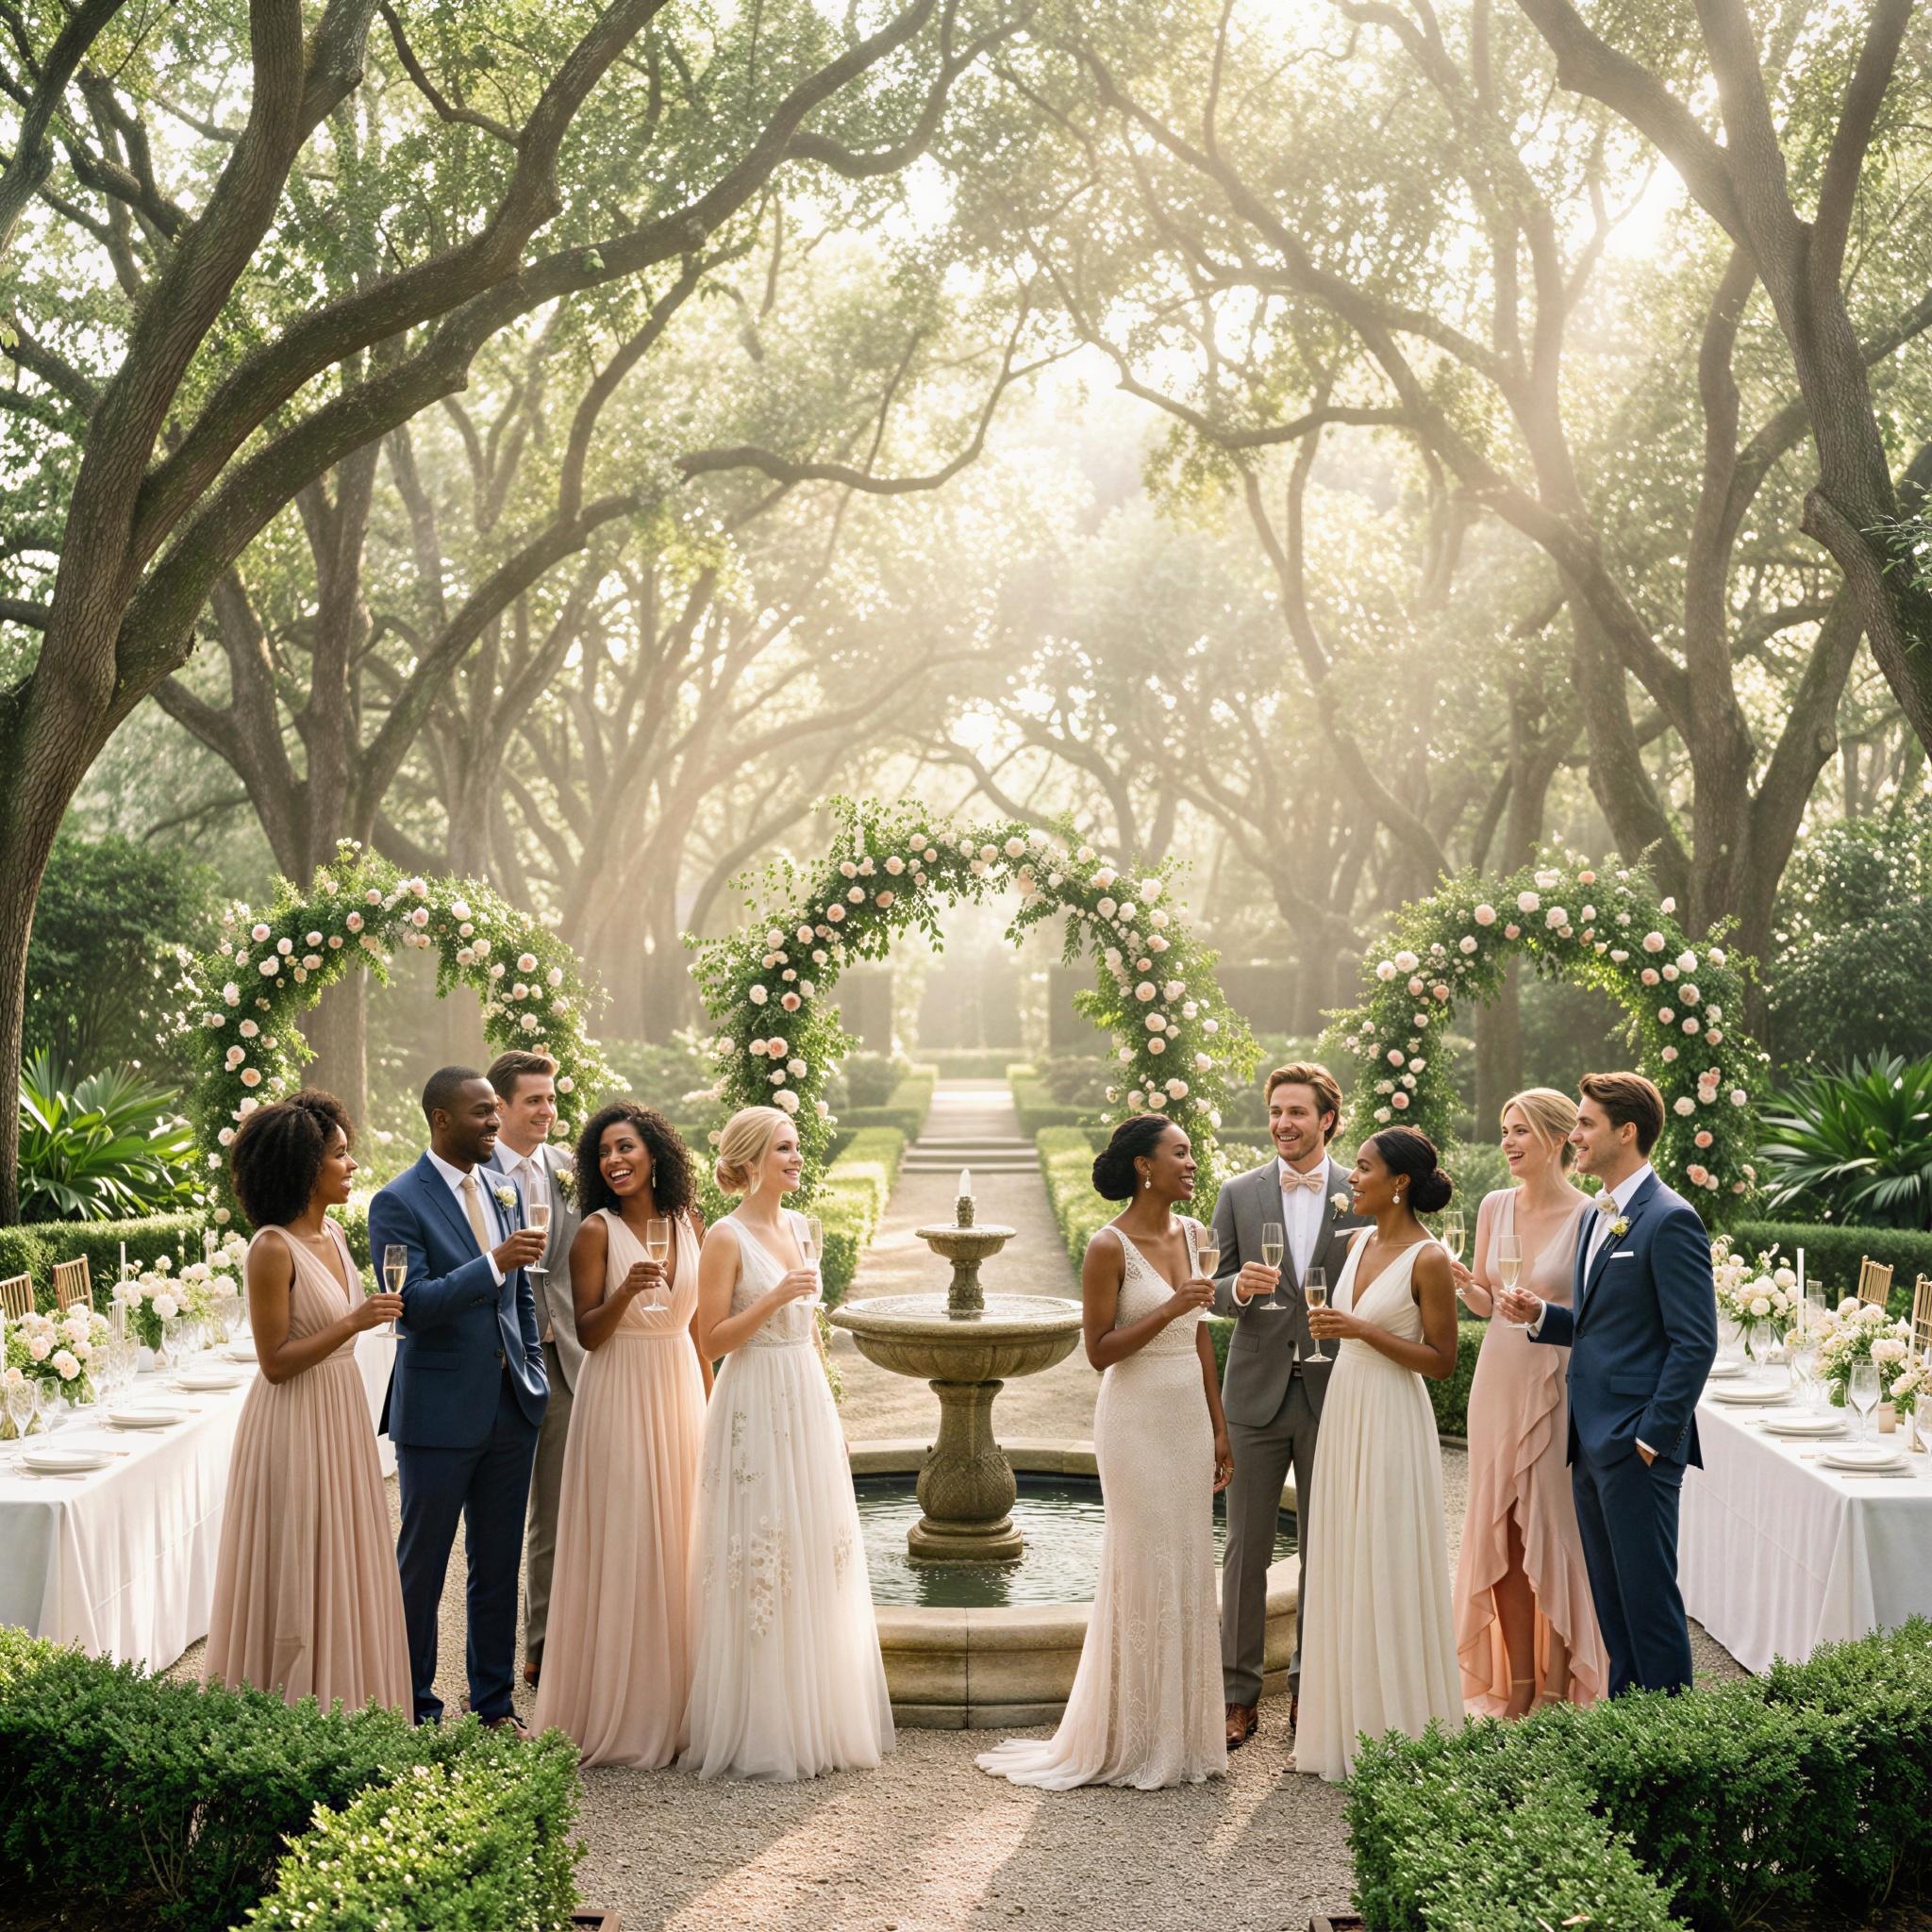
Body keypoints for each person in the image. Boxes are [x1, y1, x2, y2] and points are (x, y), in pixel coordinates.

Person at [978, 1114, 1231, 1790]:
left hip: (1188, 1415)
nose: (1192, 1162)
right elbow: (1099, 1352)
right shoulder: (1108, 1246)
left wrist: (1221, 1425)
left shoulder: (1198, 1235)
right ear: (1145, 1166)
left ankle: (1184, 1738)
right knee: (1143, 1562)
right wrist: (1173, 1306)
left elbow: (1203, 1337)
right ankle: (1131, 1735)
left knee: (1187, 1564)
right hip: (1135, 1418)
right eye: (1180, 1153)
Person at [682, 1106, 893, 1780]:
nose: (796, 1158)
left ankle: (820, 1713)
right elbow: (707, 1341)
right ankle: (763, 1726)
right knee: (761, 1548)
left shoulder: (803, 1228)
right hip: (751, 1397)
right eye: (783, 1149)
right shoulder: (725, 1235)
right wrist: (773, 1299)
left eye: (797, 1147)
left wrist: (830, 1412)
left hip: (803, 1396)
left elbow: (813, 1331)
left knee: (815, 1547)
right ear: (748, 1161)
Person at [1498, 1072, 1718, 1697]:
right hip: (1589, 1445)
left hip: (1635, 1448)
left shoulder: (1670, 1220)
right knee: (1614, 1611)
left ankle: (1672, 1755)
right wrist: (1543, 1317)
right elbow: (1604, 1327)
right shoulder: (1600, 1217)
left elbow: (1694, 1341)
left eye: (1587, 1123)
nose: (1575, 1134)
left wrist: (1650, 1437)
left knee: (1648, 1609)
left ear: (1627, 1132)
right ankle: (1627, 1747)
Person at [204, 1091, 410, 1712]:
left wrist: (358, 1323)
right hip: (292, 1420)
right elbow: (274, 1362)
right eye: (340, 1155)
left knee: (341, 1559)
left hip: (340, 1413)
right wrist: (355, 1323)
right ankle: (288, 1708)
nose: (352, 1165)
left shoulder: (336, 1234)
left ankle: (343, 1700)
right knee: (296, 1564)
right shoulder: (271, 1248)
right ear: (303, 1166)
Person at [368, 1066, 547, 1729]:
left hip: (511, 1407)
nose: (494, 1123)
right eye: (481, 1113)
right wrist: (494, 1262)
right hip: (438, 1415)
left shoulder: (502, 1188)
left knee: (498, 1567)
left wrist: (533, 1371)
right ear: (441, 1119)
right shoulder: (396, 1201)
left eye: (495, 1111)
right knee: (422, 1569)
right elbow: (411, 1306)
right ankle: (415, 1707)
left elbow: (521, 1295)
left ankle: (493, 1706)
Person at [533, 1103, 710, 1767]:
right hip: (619, 1392)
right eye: (605, 1151)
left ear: (655, 1153)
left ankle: (686, 1700)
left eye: (626, 1146)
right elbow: (587, 1334)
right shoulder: (595, 1234)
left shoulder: (690, 1222)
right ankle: (624, 1707)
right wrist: (627, 1295)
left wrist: (715, 1404)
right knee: (628, 1539)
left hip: (679, 1391)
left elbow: (698, 1330)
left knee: (684, 1538)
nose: (615, 1160)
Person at [1292, 1127, 1462, 1781]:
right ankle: (1343, 1727)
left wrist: (1358, 1328)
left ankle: (1402, 1729)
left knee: (1387, 1557)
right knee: (1343, 1556)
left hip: (1393, 1414)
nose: (1350, 1179)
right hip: (1346, 1409)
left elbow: (1443, 1363)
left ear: (1398, 1183)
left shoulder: (1429, 1259)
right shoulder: (1359, 1240)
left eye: (1362, 1169)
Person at [1208, 1062, 1366, 1752]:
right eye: (1275, 1111)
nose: (1282, 1124)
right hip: (1254, 1392)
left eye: (1296, 1112)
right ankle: (1237, 1697)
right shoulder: (1238, 1192)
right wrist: (1236, 1288)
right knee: (1245, 1549)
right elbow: (1207, 1287)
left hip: (1337, 1390)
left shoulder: (1361, 1194)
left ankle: (1310, 1689)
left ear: (1327, 1119)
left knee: (1324, 1547)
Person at [1450, 1090, 1607, 1717]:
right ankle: (1516, 1683)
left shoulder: (1591, 1215)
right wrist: (1468, 1288)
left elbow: (1596, 1315)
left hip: (1557, 1385)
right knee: (1504, 1533)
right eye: (1504, 1130)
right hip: (1498, 1378)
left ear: (1555, 1138)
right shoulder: (1493, 1206)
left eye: (1520, 1132)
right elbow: (1491, 1302)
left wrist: (1542, 1312)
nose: (1508, 1143)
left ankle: (1560, 1682)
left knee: (1555, 1531)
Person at [483, 1049, 583, 1692]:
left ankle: (542, 1650)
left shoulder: (572, 1170)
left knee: (557, 1511)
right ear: (499, 1108)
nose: (547, 1111)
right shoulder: (472, 1171)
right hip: (497, 1361)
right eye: (534, 1101)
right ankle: (480, 1666)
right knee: (496, 1518)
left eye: (551, 1099)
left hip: (564, 1356)